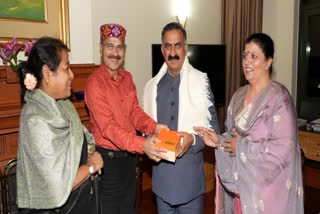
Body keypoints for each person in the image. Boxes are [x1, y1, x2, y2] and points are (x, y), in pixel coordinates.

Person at [194, 33, 304, 213]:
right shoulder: (238, 96)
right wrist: (218, 141)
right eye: (245, 55)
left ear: (268, 62)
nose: (247, 61)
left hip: (267, 197)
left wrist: (243, 148)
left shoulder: (279, 98)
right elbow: (232, 137)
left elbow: (284, 150)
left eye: (254, 56)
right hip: (242, 191)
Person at [84, 23, 167, 213]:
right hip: (107, 163)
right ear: (101, 48)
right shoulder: (94, 84)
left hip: (129, 161)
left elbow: (134, 112)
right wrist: (143, 145)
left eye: (119, 47)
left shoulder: (127, 77)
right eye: (110, 46)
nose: (115, 52)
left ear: (124, 50)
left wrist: (154, 127)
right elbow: (108, 128)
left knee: (129, 209)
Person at [16, 37, 104, 214]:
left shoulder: (64, 104)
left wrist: (91, 151)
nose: (72, 74)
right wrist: (91, 166)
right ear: (47, 73)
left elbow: (84, 137)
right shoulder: (35, 119)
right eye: (66, 68)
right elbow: (58, 187)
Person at [143, 22, 220, 214]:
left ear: (185, 48)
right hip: (162, 183)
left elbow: (214, 131)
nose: (173, 52)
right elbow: (144, 128)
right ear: (162, 50)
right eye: (168, 46)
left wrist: (192, 139)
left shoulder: (201, 81)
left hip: (190, 183)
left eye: (177, 45)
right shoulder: (151, 87)